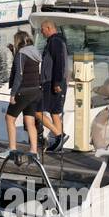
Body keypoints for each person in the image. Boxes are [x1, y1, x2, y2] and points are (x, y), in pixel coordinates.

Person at [4, 30, 42, 154]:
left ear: (18, 41)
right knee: (30, 121)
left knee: (9, 118)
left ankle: (12, 149)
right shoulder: (34, 52)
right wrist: (13, 52)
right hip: (35, 90)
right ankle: (34, 151)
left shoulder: (21, 54)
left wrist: (13, 94)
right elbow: (25, 66)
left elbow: (19, 75)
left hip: (23, 91)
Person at [39, 19, 70, 152]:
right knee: (55, 112)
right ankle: (59, 142)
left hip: (53, 82)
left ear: (49, 28)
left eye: (42, 29)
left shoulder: (55, 42)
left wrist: (56, 83)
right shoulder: (57, 41)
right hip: (53, 81)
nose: (41, 32)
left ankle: (59, 135)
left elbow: (60, 64)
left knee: (37, 111)